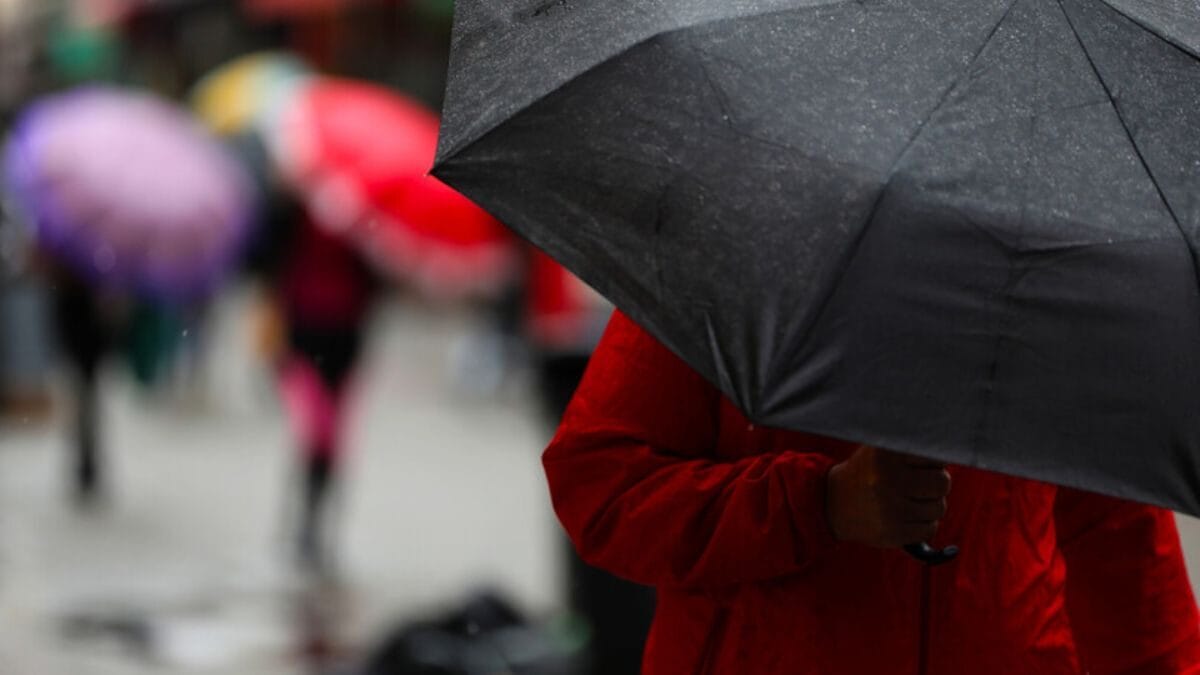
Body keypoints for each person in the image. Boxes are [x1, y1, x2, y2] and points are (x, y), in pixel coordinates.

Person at [543, 311, 1200, 675]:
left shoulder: (1062, 281)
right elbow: (599, 481)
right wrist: (820, 503)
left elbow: (1123, 544)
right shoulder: (740, 234)